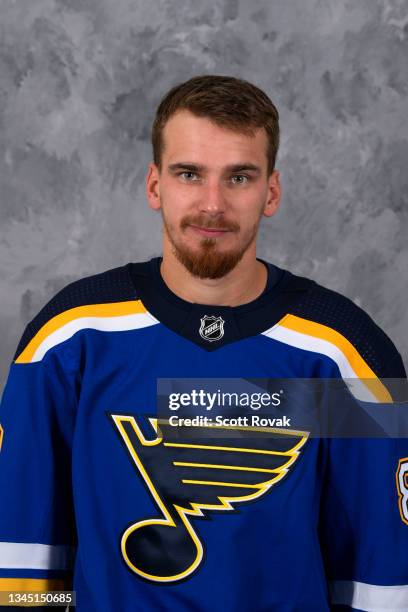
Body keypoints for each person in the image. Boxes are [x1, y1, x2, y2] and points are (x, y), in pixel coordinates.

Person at [0, 74, 407, 612]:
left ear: (272, 192)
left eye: (239, 176)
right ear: (154, 185)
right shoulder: (70, 338)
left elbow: (380, 569)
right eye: (189, 174)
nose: (212, 204)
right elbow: (26, 552)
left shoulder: (342, 349)